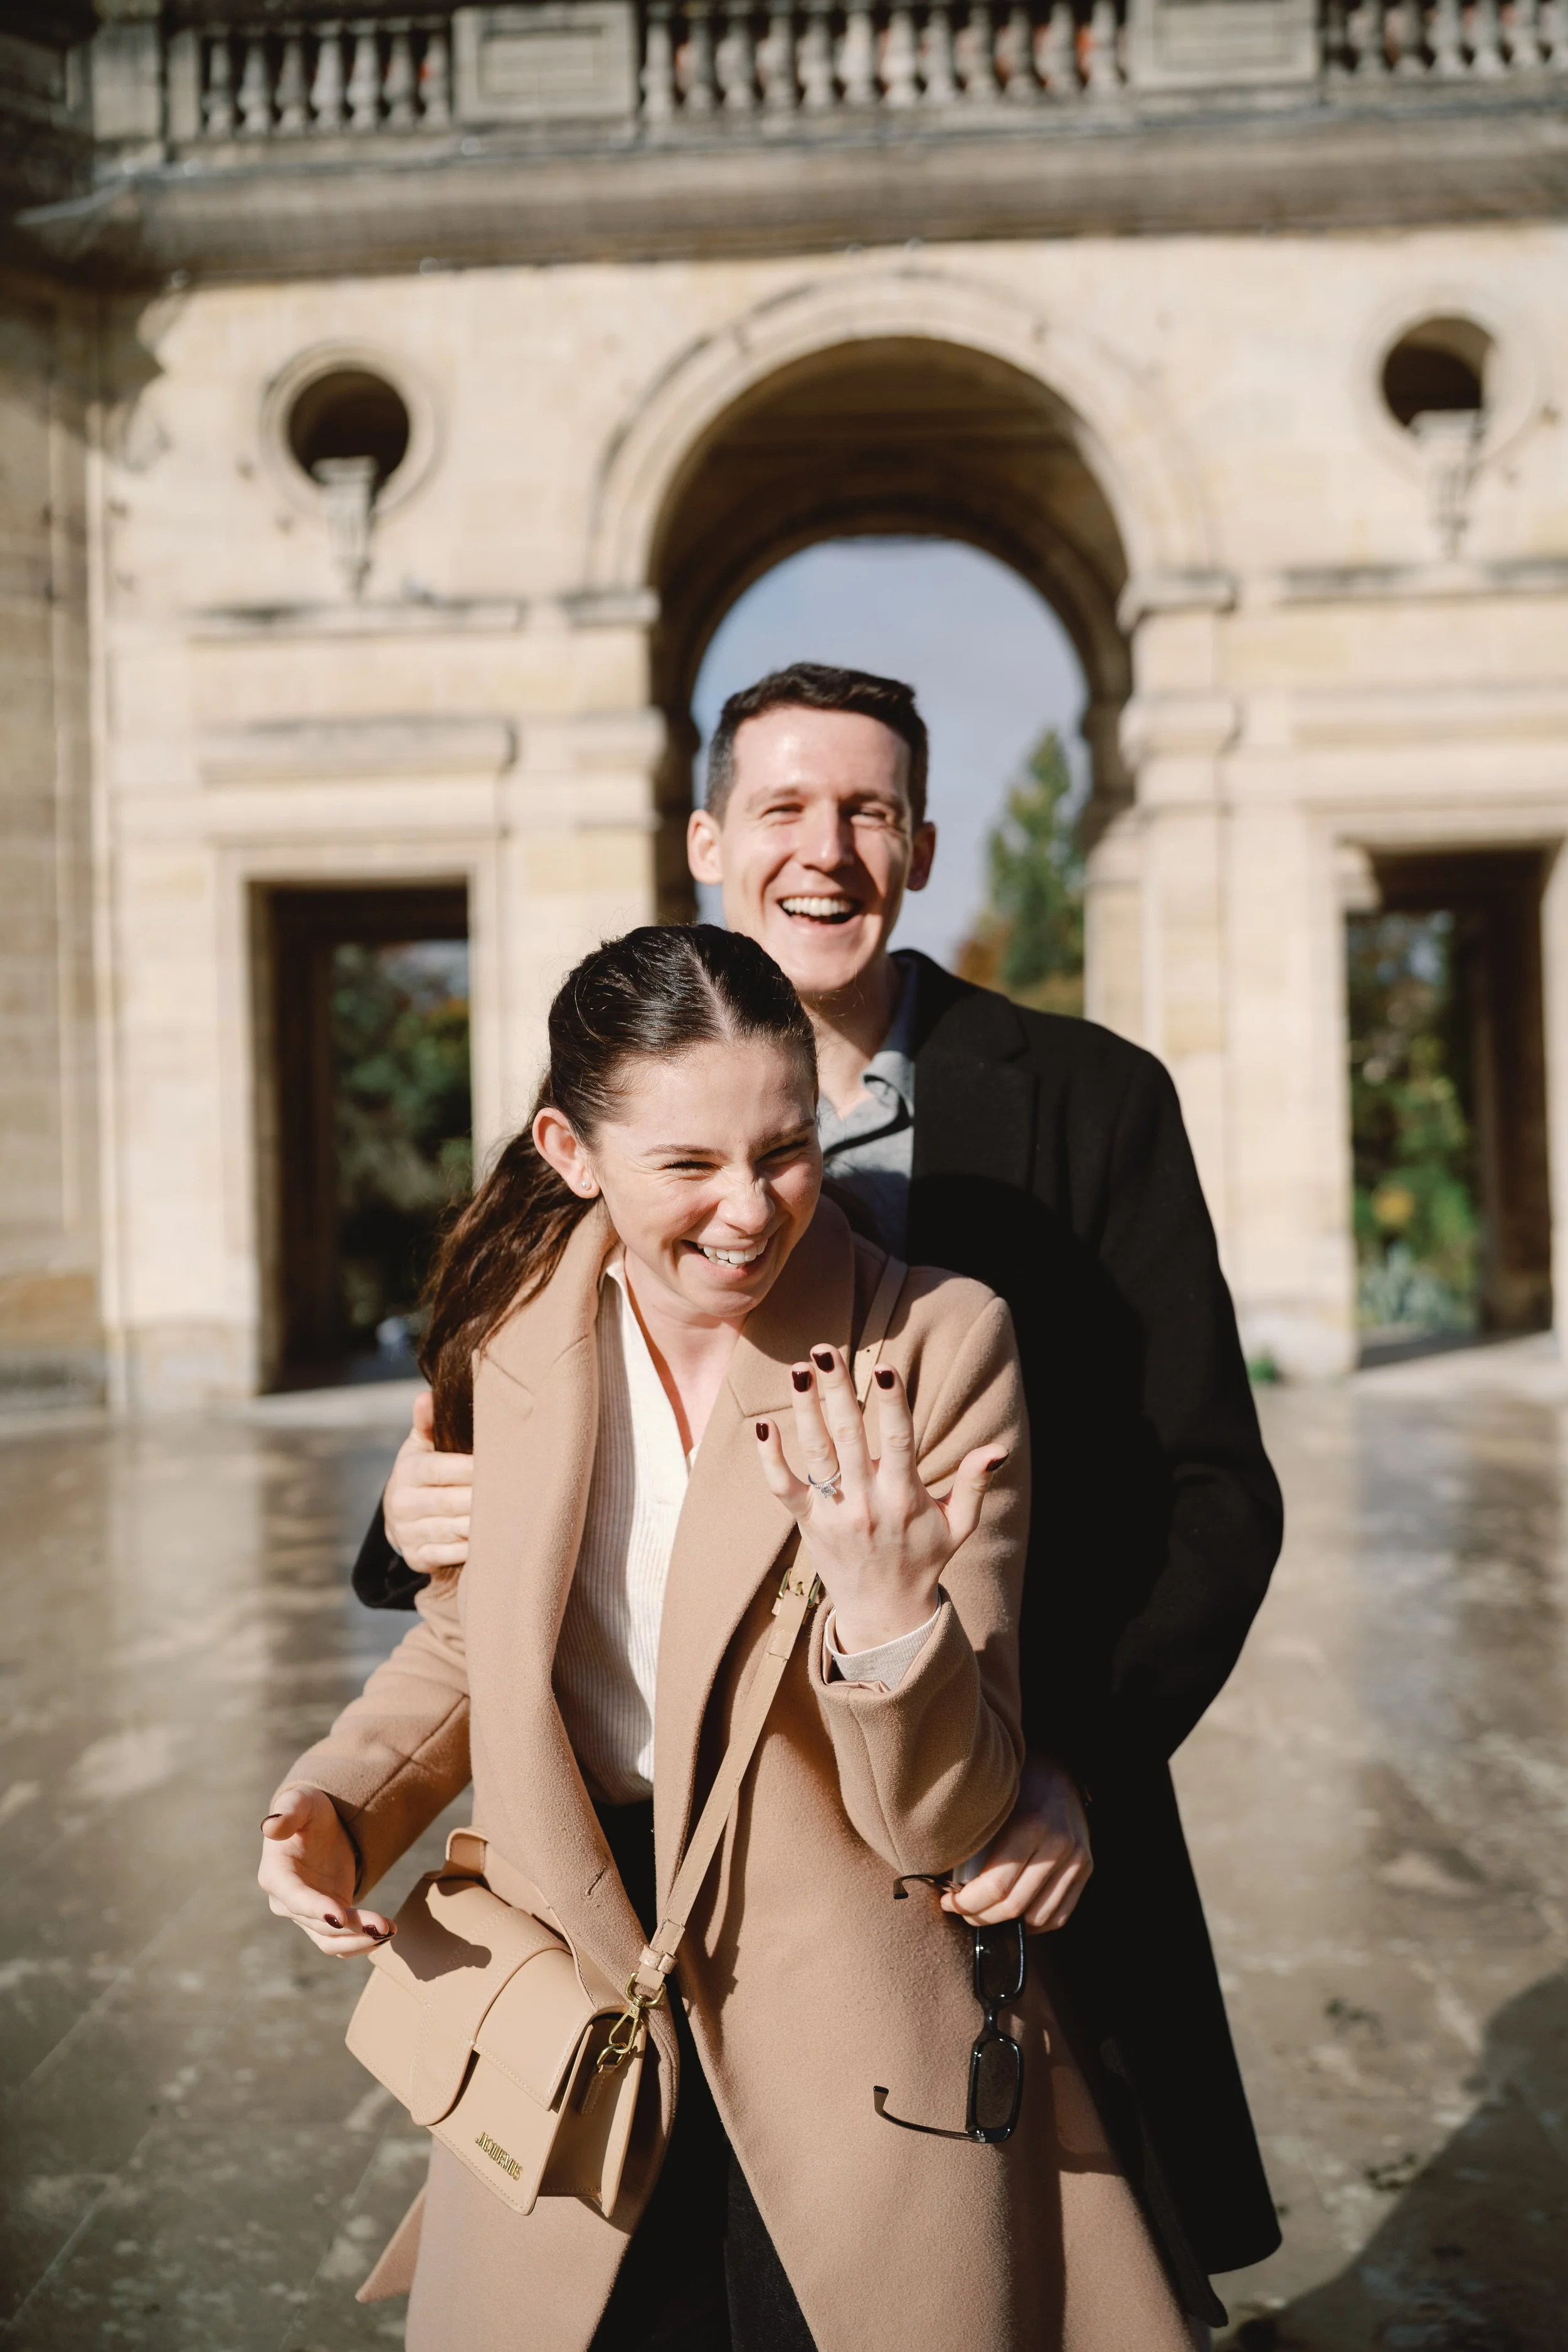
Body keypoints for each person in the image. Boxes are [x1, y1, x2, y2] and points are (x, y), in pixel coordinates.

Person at [352, 664, 1285, 2327]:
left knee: (1004, 2250)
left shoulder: (1089, 1098)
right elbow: (499, 1405)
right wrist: (404, 1505)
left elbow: (1208, 1480)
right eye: (783, 805)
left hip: (989, 1790)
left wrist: (1069, 1752)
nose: (826, 848)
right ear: (708, 837)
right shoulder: (616, 1095)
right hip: (678, 1862)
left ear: (921, 842)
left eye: (865, 809)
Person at [260, 924, 1201, 2352]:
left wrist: (890, 1614)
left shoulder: (939, 1345)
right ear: (570, 1151)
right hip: (572, 1985)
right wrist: (334, 1801)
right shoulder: (501, 1333)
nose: (750, 1211)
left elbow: (949, 1816)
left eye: (783, 1151)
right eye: (687, 1167)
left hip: (852, 2010)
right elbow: (469, 1648)